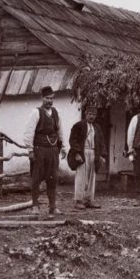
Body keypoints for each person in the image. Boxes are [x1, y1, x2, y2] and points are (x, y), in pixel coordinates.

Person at [23, 86, 66, 217]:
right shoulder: (36, 112)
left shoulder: (56, 113)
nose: (49, 101)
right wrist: (30, 150)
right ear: (42, 98)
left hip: (53, 150)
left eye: (52, 98)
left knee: (52, 178)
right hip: (39, 149)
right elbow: (28, 132)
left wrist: (63, 147)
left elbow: (60, 130)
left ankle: (52, 207)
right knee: (36, 178)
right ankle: (35, 206)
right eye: (47, 98)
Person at [69, 105, 107, 210]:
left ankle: (89, 200)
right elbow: (73, 140)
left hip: (94, 153)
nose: (92, 116)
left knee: (92, 177)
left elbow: (101, 142)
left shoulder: (97, 127)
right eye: (90, 114)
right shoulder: (79, 125)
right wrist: (77, 153)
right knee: (81, 177)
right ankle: (78, 200)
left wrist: (102, 155)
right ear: (86, 114)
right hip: (82, 152)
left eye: (94, 114)